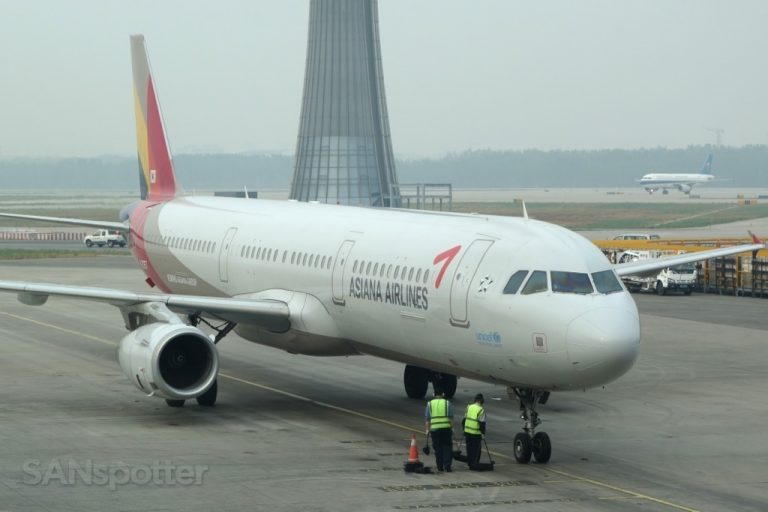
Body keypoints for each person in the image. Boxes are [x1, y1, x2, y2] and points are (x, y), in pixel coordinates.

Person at [424, 387, 453, 472]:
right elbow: (451, 418)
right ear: (443, 394)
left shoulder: (430, 404)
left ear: (434, 394)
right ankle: (447, 466)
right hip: (446, 429)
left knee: (438, 448)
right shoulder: (447, 403)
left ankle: (440, 467)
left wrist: (427, 429)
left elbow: (427, 418)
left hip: (435, 430)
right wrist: (451, 428)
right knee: (447, 447)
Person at [463, 393, 486, 470]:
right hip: (476, 433)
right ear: (482, 401)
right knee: (476, 450)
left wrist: (464, 429)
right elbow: (482, 424)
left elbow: (464, 420)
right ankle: (474, 464)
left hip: (467, 431)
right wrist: (483, 433)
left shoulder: (469, 407)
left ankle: (469, 463)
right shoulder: (481, 410)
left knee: (469, 449)